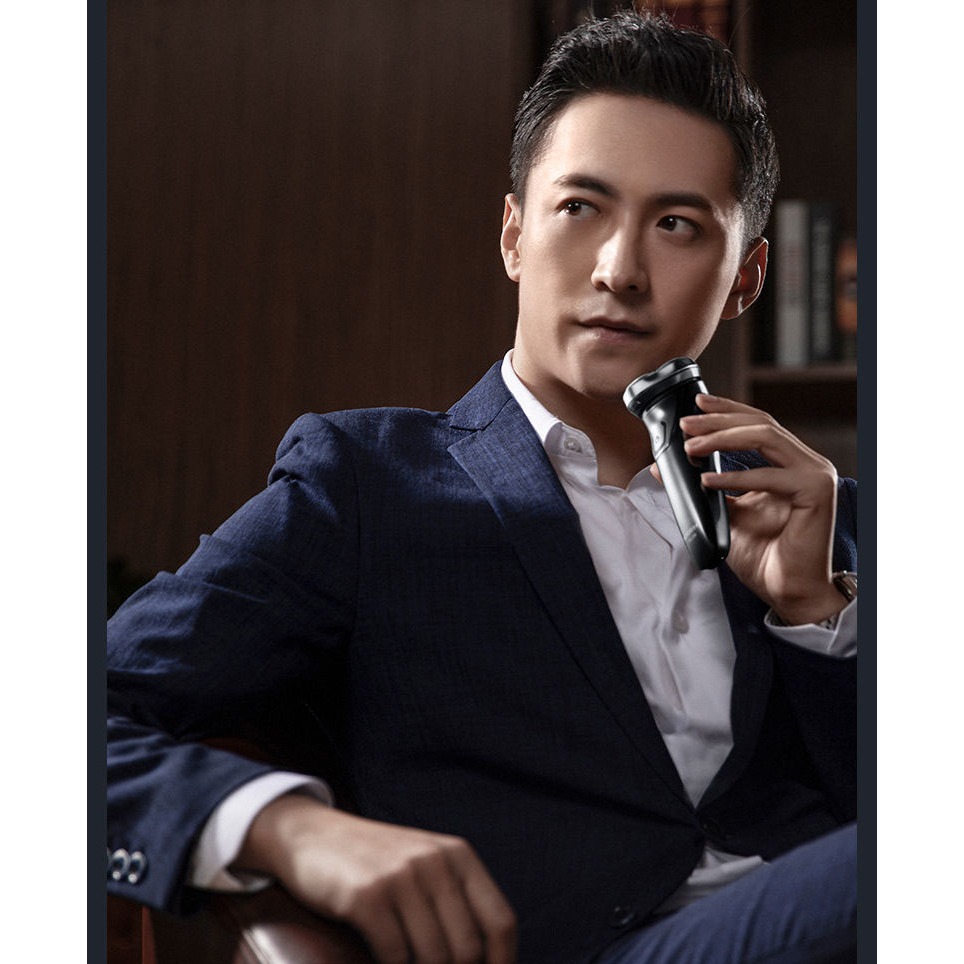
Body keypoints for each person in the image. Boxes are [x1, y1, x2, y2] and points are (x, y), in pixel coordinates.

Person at [107, 10, 857, 963]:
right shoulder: (366, 484)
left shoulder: (819, 519)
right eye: (580, 208)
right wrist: (288, 827)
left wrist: (815, 614)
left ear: (745, 278)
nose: (619, 271)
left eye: (676, 225)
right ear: (513, 236)